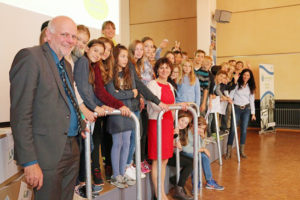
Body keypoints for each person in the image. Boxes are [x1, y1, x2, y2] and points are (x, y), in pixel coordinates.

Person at [10, 16, 85, 200]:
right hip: (46, 153)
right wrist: (29, 161)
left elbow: (65, 100)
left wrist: (80, 123)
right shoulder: (30, 57)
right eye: (65, 34)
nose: (70, 40)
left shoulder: (66, 64)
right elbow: (21, 113)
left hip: (72, 148)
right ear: (48, 35)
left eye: (73, 37)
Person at [147, 57, 186, 200]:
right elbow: (154, 104)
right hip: (157, 123)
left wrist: (175, 127)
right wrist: (169, 107)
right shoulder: (152, 84)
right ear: (157, 70)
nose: (164, 70)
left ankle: (162, 192)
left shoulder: (170, 85)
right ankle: (158, 194)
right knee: (157, 160)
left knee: (164, 160)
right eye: (161, 67)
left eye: (167, 68)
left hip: (168, 123)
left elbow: (173, 107)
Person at [179, 115, 224, 192]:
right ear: (192, 125)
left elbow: (200, 147)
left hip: (194, 152)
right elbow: (186, 149)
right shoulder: (187, 132)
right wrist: (202, 149)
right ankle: (196, 185)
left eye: (202, 128)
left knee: (204, 156)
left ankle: (209, 181)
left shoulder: (198, 133)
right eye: (199, 127)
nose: (200, 130)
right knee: (197, 157)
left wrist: (203, 138)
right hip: (184, 153)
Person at [226, 68, 256, 159]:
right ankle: (229, 152)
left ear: (250, 77)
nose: (246, 77)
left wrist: (253, 113)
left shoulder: (251, 86)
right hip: (236, 108)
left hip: (246, 109)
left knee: (243, 130)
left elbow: (251, 100)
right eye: (244, 75)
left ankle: (241, 151)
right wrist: (229, 99)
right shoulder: (237, 84)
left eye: (248, 75)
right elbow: (231, 94)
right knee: (233, 130)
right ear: (241, 75)